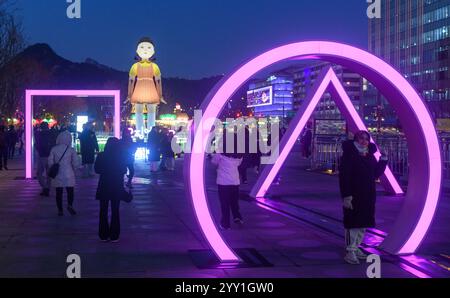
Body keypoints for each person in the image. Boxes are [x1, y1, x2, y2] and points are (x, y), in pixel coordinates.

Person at [338, 130, 388, 265]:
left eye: (366, 139)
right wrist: (347, 196)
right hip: (354, 194)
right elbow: (344, 177)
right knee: (352, 223)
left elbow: (375, 174)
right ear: (355, 139)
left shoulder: (369, 155)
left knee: (363, 224)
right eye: (361, 138)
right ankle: (350, 251)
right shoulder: (349, 155)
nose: (364, 141)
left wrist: (383, 158)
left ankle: (356, 247)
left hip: (367, 194)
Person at [95, 137, 127, 242]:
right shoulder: (121, 156)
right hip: (116, 185)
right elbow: (123, 170)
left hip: (104, 184)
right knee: (115, 210)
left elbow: (97, 169)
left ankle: (103, 234)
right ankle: (114, 235)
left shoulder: (101, 155)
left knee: (103, 210)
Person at [211, 133, 244, 230]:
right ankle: (237, 217)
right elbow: (238, 164)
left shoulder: (220, 153)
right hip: (235, 181)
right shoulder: (239, 153)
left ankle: (225, 223)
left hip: (223, 182)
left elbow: (214, 162)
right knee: (234, 201)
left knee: (224, 203)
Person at [48, 130, 80, 216]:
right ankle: (70, 205)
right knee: (70, 191)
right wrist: (76, 169)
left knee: (59, 192)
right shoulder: (71, 149)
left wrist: (52, 167)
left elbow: (50, 161)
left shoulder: (54, 149)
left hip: (58, 173)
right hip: (68, 173)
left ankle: (60, 210)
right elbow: (75, 162)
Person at [35, 122, 56, 196]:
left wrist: (38, 150)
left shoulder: (39, 134)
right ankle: (47, 187)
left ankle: (45, 187)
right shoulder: (52, 134)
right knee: (48, 173)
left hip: (42, 155)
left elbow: (37, 145)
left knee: (39, 173)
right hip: (49, 155)